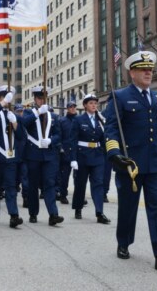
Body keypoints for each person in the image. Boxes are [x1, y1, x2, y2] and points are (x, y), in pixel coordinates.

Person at [104, 50, 157, 270]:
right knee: (128, 207)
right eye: (143, 69)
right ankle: (124, 242)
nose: (148, 72)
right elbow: (110, 128)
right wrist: (114, 154)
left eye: (150, 69)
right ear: (132, 73)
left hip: (156, 164)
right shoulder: (119, 96)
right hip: (130, 164)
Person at [22, 85, 64, 226]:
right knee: (33, 185)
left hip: (49, 155)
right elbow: (23, 124)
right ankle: (33, 213)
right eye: (39, 98)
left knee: (49, 184)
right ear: (34, 99)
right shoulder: (29, 112)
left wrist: (51, 140)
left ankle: (53, 214)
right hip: (33, 155)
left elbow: (59, 135)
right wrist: (38, 113)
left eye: (44, 98)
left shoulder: (52, 116)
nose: (41, 101)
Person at [0, 85, 26, 228]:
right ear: (0, 98)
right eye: (4, 97)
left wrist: (15, 122)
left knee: (11, 187)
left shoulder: (13, 115)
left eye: (9, 98)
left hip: (10, 159)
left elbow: (21, 136)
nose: (7, 100)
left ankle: (14, 215)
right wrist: (2, 104)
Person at [70, 94, 110, 224]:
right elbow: (73, 140)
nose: (94, 105)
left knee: (98, 184)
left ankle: (99, 212)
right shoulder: (78, 120)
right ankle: (78, 208)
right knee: (81, 184)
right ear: (85, 105)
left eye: (95, 103)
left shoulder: (100, 120)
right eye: (91, 103)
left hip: (97, 156)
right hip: (82, 156)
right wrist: (73, 159)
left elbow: (104, 139)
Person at [58, 100, 78, 205]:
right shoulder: (62, 121)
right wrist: (61, 148)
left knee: (78, 177)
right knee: (65, 176)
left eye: (74, 107)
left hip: (77, 152)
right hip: (65, 152)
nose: (73, 108)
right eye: (71, 107)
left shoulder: (79, 120)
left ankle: (79, 196)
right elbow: (59, 136)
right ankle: (63, 195)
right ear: (67, 108)